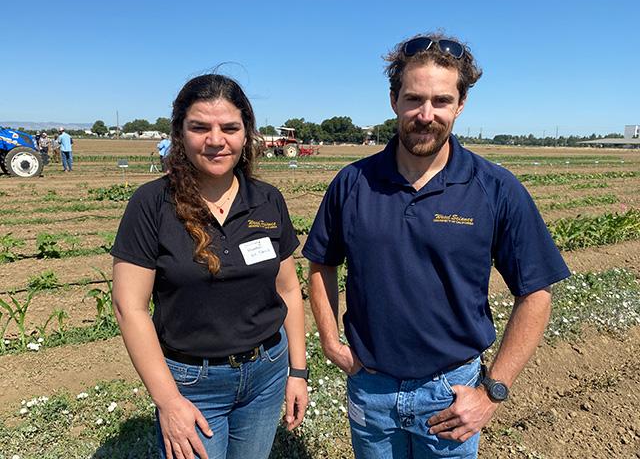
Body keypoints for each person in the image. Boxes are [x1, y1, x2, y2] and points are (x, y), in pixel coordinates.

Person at [302, 32, 571, 458]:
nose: (426, 115)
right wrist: (332, 343)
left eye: (441, 101)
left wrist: (492, 391)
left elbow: (536, 292)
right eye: (414, 99)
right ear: (394, 100)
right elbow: (321, 263)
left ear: (460, 105)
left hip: (450, 394)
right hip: (371, 390)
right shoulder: (352, 183)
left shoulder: (495, 188)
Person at [111, 73, 308, 459]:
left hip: (267, 371)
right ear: (180, 133)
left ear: (246, 134)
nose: (216, 140)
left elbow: (288, 289)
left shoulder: (267, 199)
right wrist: (169, 401)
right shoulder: (152, 204)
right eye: (200, 127)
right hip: (191, 382)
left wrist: (298, 372)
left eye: (230, 128)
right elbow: (128, 308)